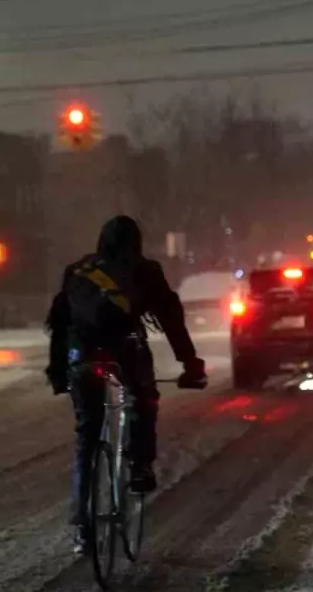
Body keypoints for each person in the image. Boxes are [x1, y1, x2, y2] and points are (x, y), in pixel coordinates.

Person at [45, 215, 207, 552]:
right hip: (124, 349)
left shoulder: (77, 271)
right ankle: (139, 466)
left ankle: (83, 529)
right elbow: (171, 320)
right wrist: (191, 365)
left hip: (82, 354)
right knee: (143, 396)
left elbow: (60, 323)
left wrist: (58, 371)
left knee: (87, 436)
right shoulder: (145, 270)